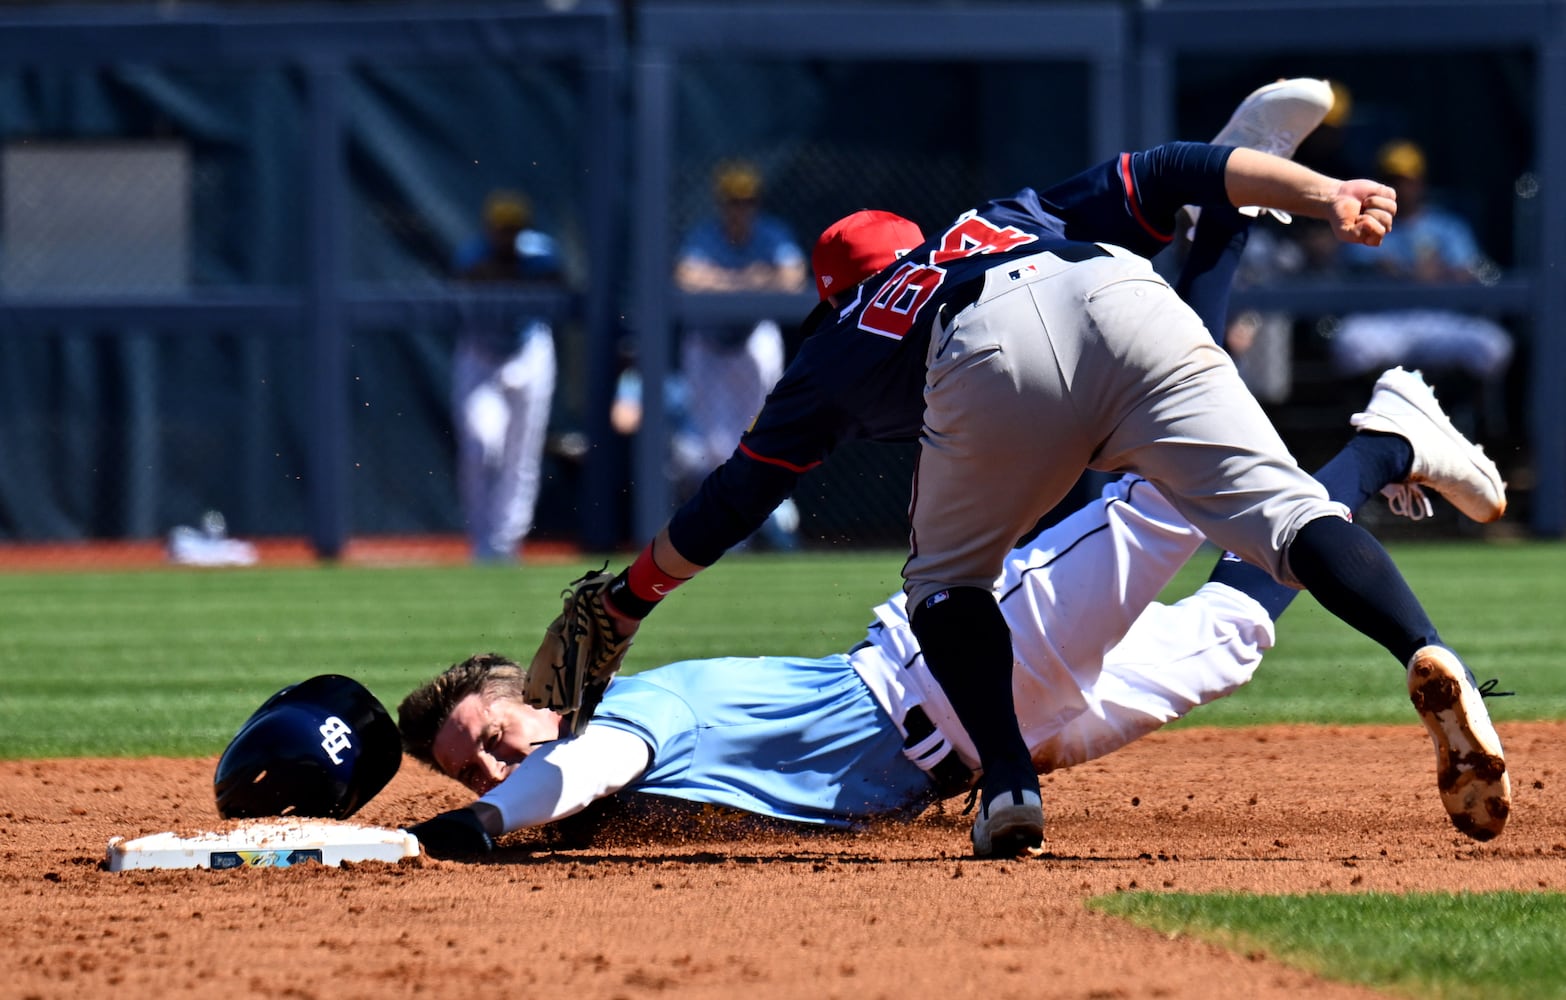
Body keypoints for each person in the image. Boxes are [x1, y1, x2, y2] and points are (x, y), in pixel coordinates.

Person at [553, 81, 1510, 858]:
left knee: (946, 587)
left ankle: (1008, 785)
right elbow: (1170, 168)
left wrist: (633, 596)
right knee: (1290, 525)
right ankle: (1427, 645)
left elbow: (736, 497)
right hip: (1111, 286)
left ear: (836, 294)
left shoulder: (841, 339)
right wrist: (1324, 197)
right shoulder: (998, 215)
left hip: (990, 362)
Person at [399, 369, 1508, 858]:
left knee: (1169, 486)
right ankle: (1386, 444)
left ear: (535, 702)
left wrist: (484, 824)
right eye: (473, 773)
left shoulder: (629, 720)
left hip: (959, 665)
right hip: (997, 746)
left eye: (495, 739)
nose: (497, 768)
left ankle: (1206, 230)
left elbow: (574, 772)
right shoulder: (603, 797)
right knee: (1234, 636)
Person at [1327, 139, 1514, 441]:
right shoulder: (1364, 223)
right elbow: (1358, 267)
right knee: (1350, 345)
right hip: (1387, 321)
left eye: (1406, 181)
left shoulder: (1446, 226)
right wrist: (1403, 270)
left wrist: (1440, 272)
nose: (1399, 189)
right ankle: (1365, 428)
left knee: (1492, 345)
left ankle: (1466, 428)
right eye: (1390, 181)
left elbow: (1470, 272)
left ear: (1420, 183)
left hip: (1438, 320)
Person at [673, 160, 809, 548]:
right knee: (713, 444)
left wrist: (722, 281)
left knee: (761, 430)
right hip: (708, 342)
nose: (740, 208)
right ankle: (733, 532)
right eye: (733, 200)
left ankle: (770, 521)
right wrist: (752, 278)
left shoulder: (772, 232)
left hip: (752, 338)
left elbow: (791, 276)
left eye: (746, 200)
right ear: (721, 203)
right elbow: (686, 277)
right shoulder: (704, 234)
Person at [450, 189, 567, 563]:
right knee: (481, 443)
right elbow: (471, 274)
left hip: (528, 351)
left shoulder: (540, 251)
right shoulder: (473, 254)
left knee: (522, 453)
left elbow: (559, 276)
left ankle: (506, 542)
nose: (506, 236)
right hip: (481, 353)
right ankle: (481, 538)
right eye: (500, 229)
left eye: (512, 228)